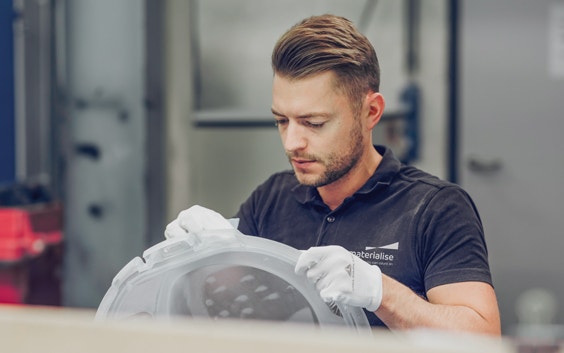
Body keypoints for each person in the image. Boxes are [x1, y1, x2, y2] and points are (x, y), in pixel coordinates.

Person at [166, 14, 501, 335]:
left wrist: (380, 293)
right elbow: (227, 312)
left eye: (314, 123)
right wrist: (203, 259)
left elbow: (482, 339)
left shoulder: (434, 208)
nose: (292, 142)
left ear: (371, 112)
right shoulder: (271, 199)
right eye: (282, 121)